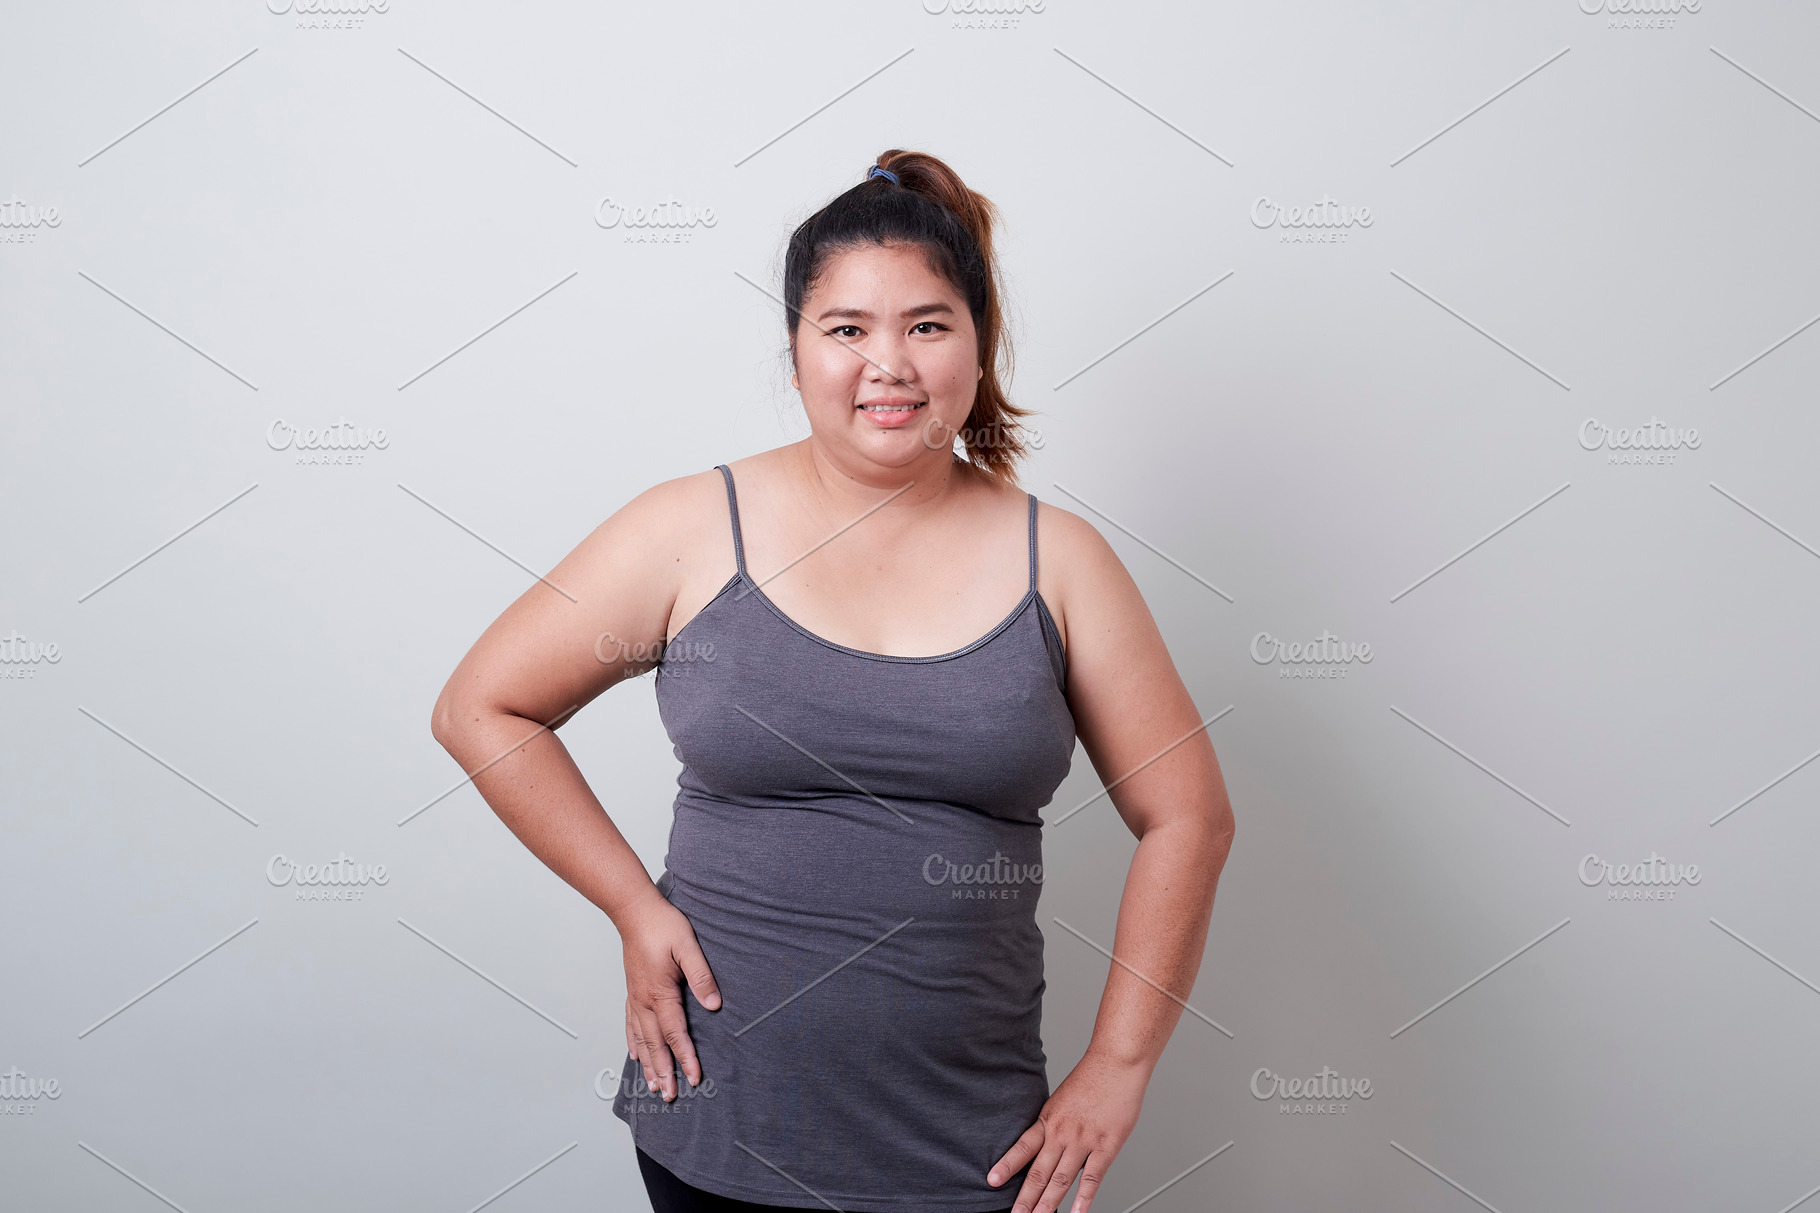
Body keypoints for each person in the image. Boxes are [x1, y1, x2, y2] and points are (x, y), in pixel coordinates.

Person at [430, 149, 1235, 1213]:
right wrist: (632, 906)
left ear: (977, 343)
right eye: (845, 329)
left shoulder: (1063, 563)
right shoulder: (687, 530)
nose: (886, 364)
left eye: (926, 325)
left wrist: (1118, 1067)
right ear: (796, 348)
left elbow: (1186, 814)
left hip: (974, 1156)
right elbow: (480, 705)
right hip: (719, 1125)